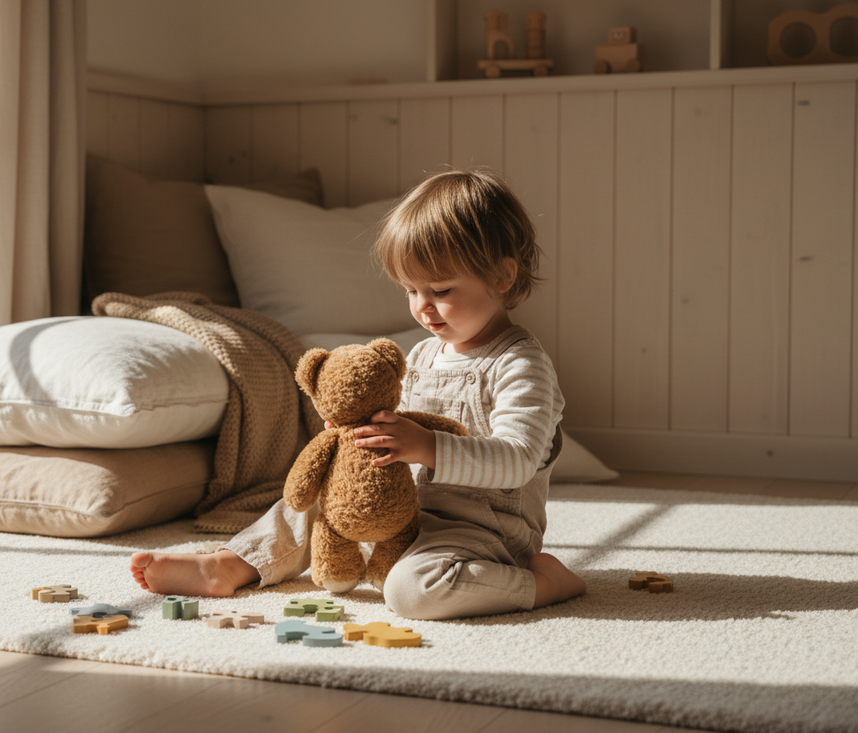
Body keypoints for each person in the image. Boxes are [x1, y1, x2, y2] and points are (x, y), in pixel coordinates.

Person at [129, 168, 586, 620]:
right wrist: (363, 433)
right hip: (404, 511)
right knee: (315, 503)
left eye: (441, 290)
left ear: (503, 276)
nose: (422, 307)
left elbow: (519, 457)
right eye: (411, 289)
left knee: (410, 593)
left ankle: (539, 584)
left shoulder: (521, 365)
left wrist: (425, 445)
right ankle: (232, 564)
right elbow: (395, 423)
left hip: (484, 533)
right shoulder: (424, 353)